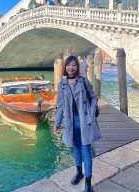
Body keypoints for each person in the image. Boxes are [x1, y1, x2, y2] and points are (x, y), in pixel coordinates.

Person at [53, 56, 101, 192]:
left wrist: (91, 114)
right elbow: (60, 105)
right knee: (76, 148)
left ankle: (88, 182)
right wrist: (56, 122)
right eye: (68, 65)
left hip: (84, 120)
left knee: (86, 149)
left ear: (77, 67)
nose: (71, 68)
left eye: (73, 65)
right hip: (70, 121)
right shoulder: (62, 84)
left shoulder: (83, 81)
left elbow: (93, 98)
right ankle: (79, 172)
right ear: (65, 67)